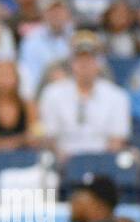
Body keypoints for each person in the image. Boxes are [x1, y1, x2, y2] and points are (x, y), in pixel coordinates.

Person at [37, 31, 132, 160]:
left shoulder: (117, 96)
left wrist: (96, 162)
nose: (85, 64)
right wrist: (63, 157)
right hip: (63, 160)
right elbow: (49, 136)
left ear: (99, 63)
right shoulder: (52, 93)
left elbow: (117, 139)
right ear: (71, 63)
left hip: (103, 160)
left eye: (90, 59)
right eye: (80, 59)